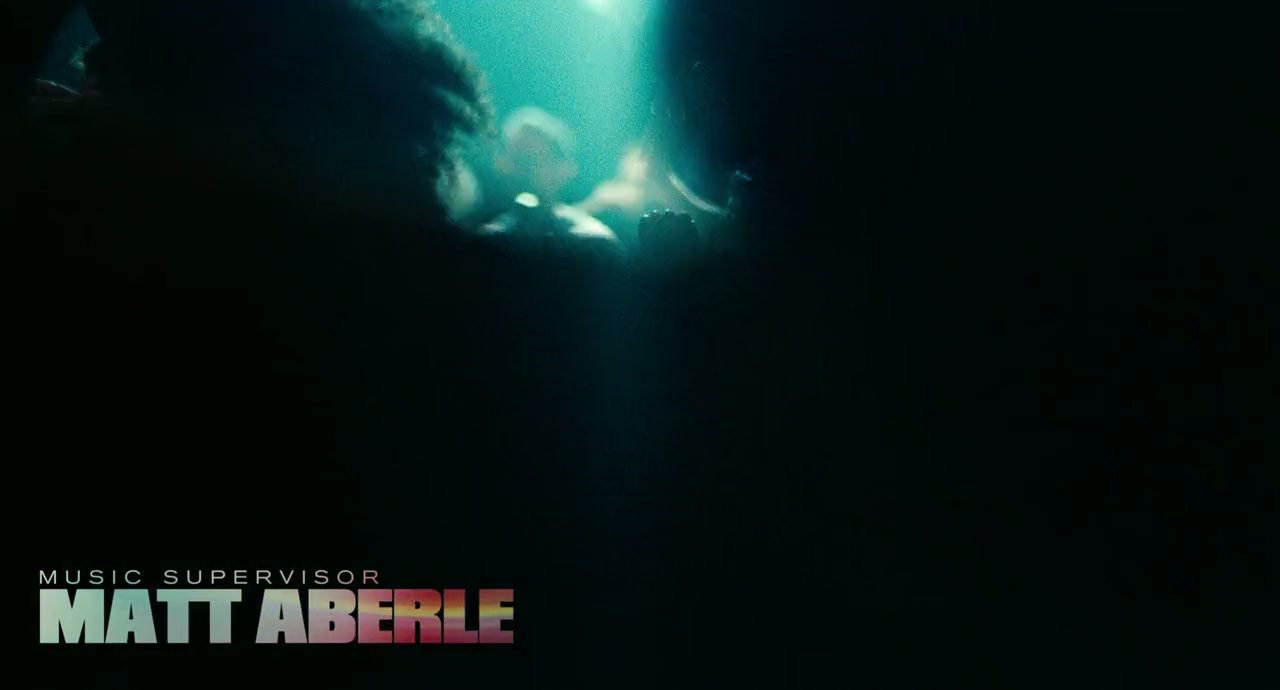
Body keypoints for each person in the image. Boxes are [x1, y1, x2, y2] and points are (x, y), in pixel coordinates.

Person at [478, 106, 624, 259]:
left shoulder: (594, 245)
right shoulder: (485, 245)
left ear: (563, 169)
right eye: (515, 160)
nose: (517, 171)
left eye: (530, 161)